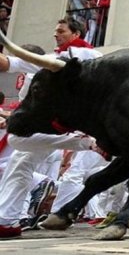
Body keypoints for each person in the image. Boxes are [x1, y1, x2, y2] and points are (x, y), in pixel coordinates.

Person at [0, 17, 103, 238]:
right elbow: (7, 64)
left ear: (76, 34)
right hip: (47, 126)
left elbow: (7, 63)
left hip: (60, 125)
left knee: (16, 141)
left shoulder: (82, 56)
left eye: (61, 31)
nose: (56, 34)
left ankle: (84, 142)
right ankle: (7, 220)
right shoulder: (55, 59)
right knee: (18, 164)